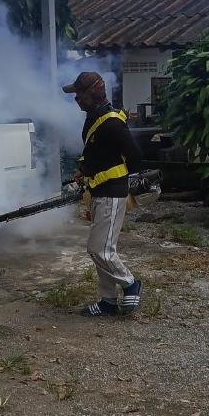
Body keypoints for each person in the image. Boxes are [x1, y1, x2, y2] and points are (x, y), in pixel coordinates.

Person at [62, 71, 143, 317]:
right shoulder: (93, 118)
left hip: (111, 192)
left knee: (99, 249)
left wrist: (111, 176)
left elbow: (135, 158)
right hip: (98, 191)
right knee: (103, 248)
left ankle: (130, 283)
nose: (76, 99)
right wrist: (84, 170)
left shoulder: (112, 123)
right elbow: (97, 153)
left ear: (93, 93)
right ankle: (108, 301)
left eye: (79, 94)